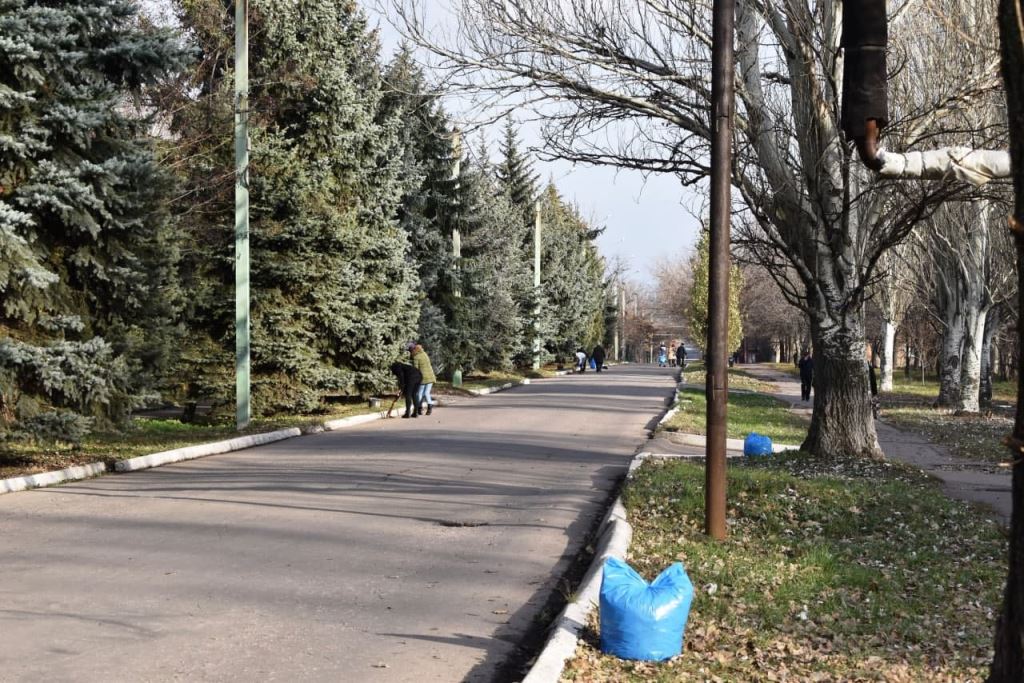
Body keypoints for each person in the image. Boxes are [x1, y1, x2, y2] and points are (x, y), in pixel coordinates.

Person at [410, 343, 437, 416]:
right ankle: (429, 408)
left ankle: (418, 409)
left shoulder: (416, 357)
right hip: (431, 377)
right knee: (426, 393)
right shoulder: (424, 354)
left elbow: (415, 369)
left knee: (420, 393)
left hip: (423, 378)